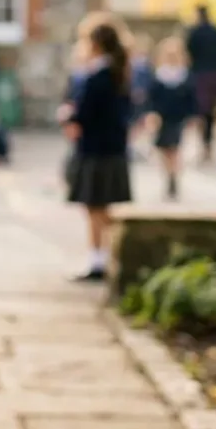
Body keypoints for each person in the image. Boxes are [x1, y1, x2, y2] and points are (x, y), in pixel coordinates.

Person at [64, 20, 133, 283]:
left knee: (95, 207)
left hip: (96, 149)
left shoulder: (98, 77)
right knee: (101, 207)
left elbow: (85, 113)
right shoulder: (119, 73)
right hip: (112, 148)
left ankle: (98, 260)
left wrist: (70, 116)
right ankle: (106, 257)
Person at [146, 37, 196, 201]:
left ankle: (173, 177)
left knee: (174, 149)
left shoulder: (185, 76)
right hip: (162, 119)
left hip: (177, 118)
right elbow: (151, 99)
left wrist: (192, 117)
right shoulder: (159, 76)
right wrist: (151, 115)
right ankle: (168, 174)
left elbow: (191, 100)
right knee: (163, 150)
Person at [185, 5, 216, 164]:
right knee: (209, 112)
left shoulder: (194, 32)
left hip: (200, 75)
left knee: (200, 113)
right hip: (214, 75)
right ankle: (208, 147)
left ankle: (204, 147)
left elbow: (188, 53)